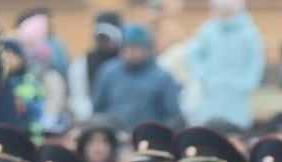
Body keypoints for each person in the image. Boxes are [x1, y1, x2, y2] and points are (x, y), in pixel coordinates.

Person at [185, 0, 262, 129]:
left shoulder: (249, 33)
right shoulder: (208, 30)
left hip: (237, 94)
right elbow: (194, 56)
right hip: (211, 92)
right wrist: (205, 77)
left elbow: (255, 62)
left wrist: (246, 83)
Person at [90, 24, 179, 129]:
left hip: (148, 137)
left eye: (135, 48)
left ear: (147, 48)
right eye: (126, 48)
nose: (130, 53)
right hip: (116, 137)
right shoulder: (109, 72)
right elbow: (98, 108)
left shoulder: (163, 77)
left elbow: (173, 115)